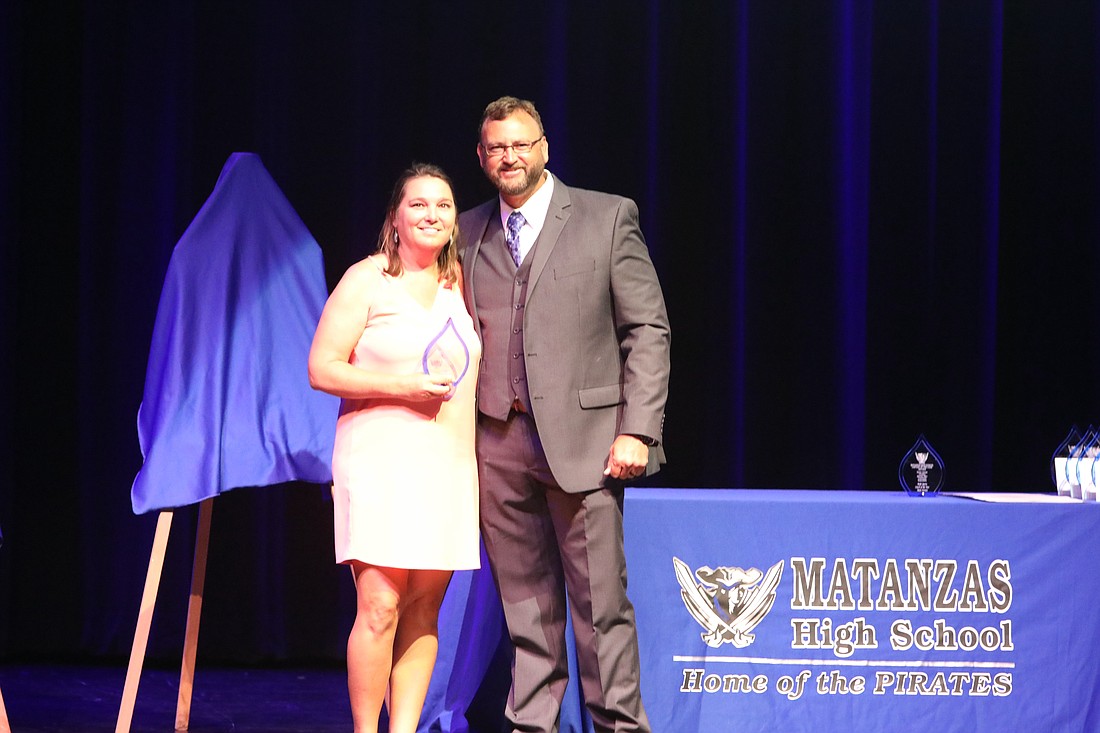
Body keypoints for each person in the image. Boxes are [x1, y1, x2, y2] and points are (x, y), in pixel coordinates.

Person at [457, 96, 671, 733]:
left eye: (521, 144)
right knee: (525, 606)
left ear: (544, 148)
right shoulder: (466, 231)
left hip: (588, 442)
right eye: (498, 147)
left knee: (601, 608)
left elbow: (647, 329)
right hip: (497, 443)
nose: (510, 157)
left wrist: (638, 429)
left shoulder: (606, 217)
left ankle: (619, 727)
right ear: (482, 157)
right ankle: (532, 724)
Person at [308, 163, 481, 733]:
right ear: (395, 217)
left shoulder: (463, 284)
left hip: (447, 467)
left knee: (424, 609)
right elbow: (321, 368)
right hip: (379, 463)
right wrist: (400, 387)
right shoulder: (368, 279)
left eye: (443, 205)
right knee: (380, 607)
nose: (432, 214)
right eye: (418, 204)